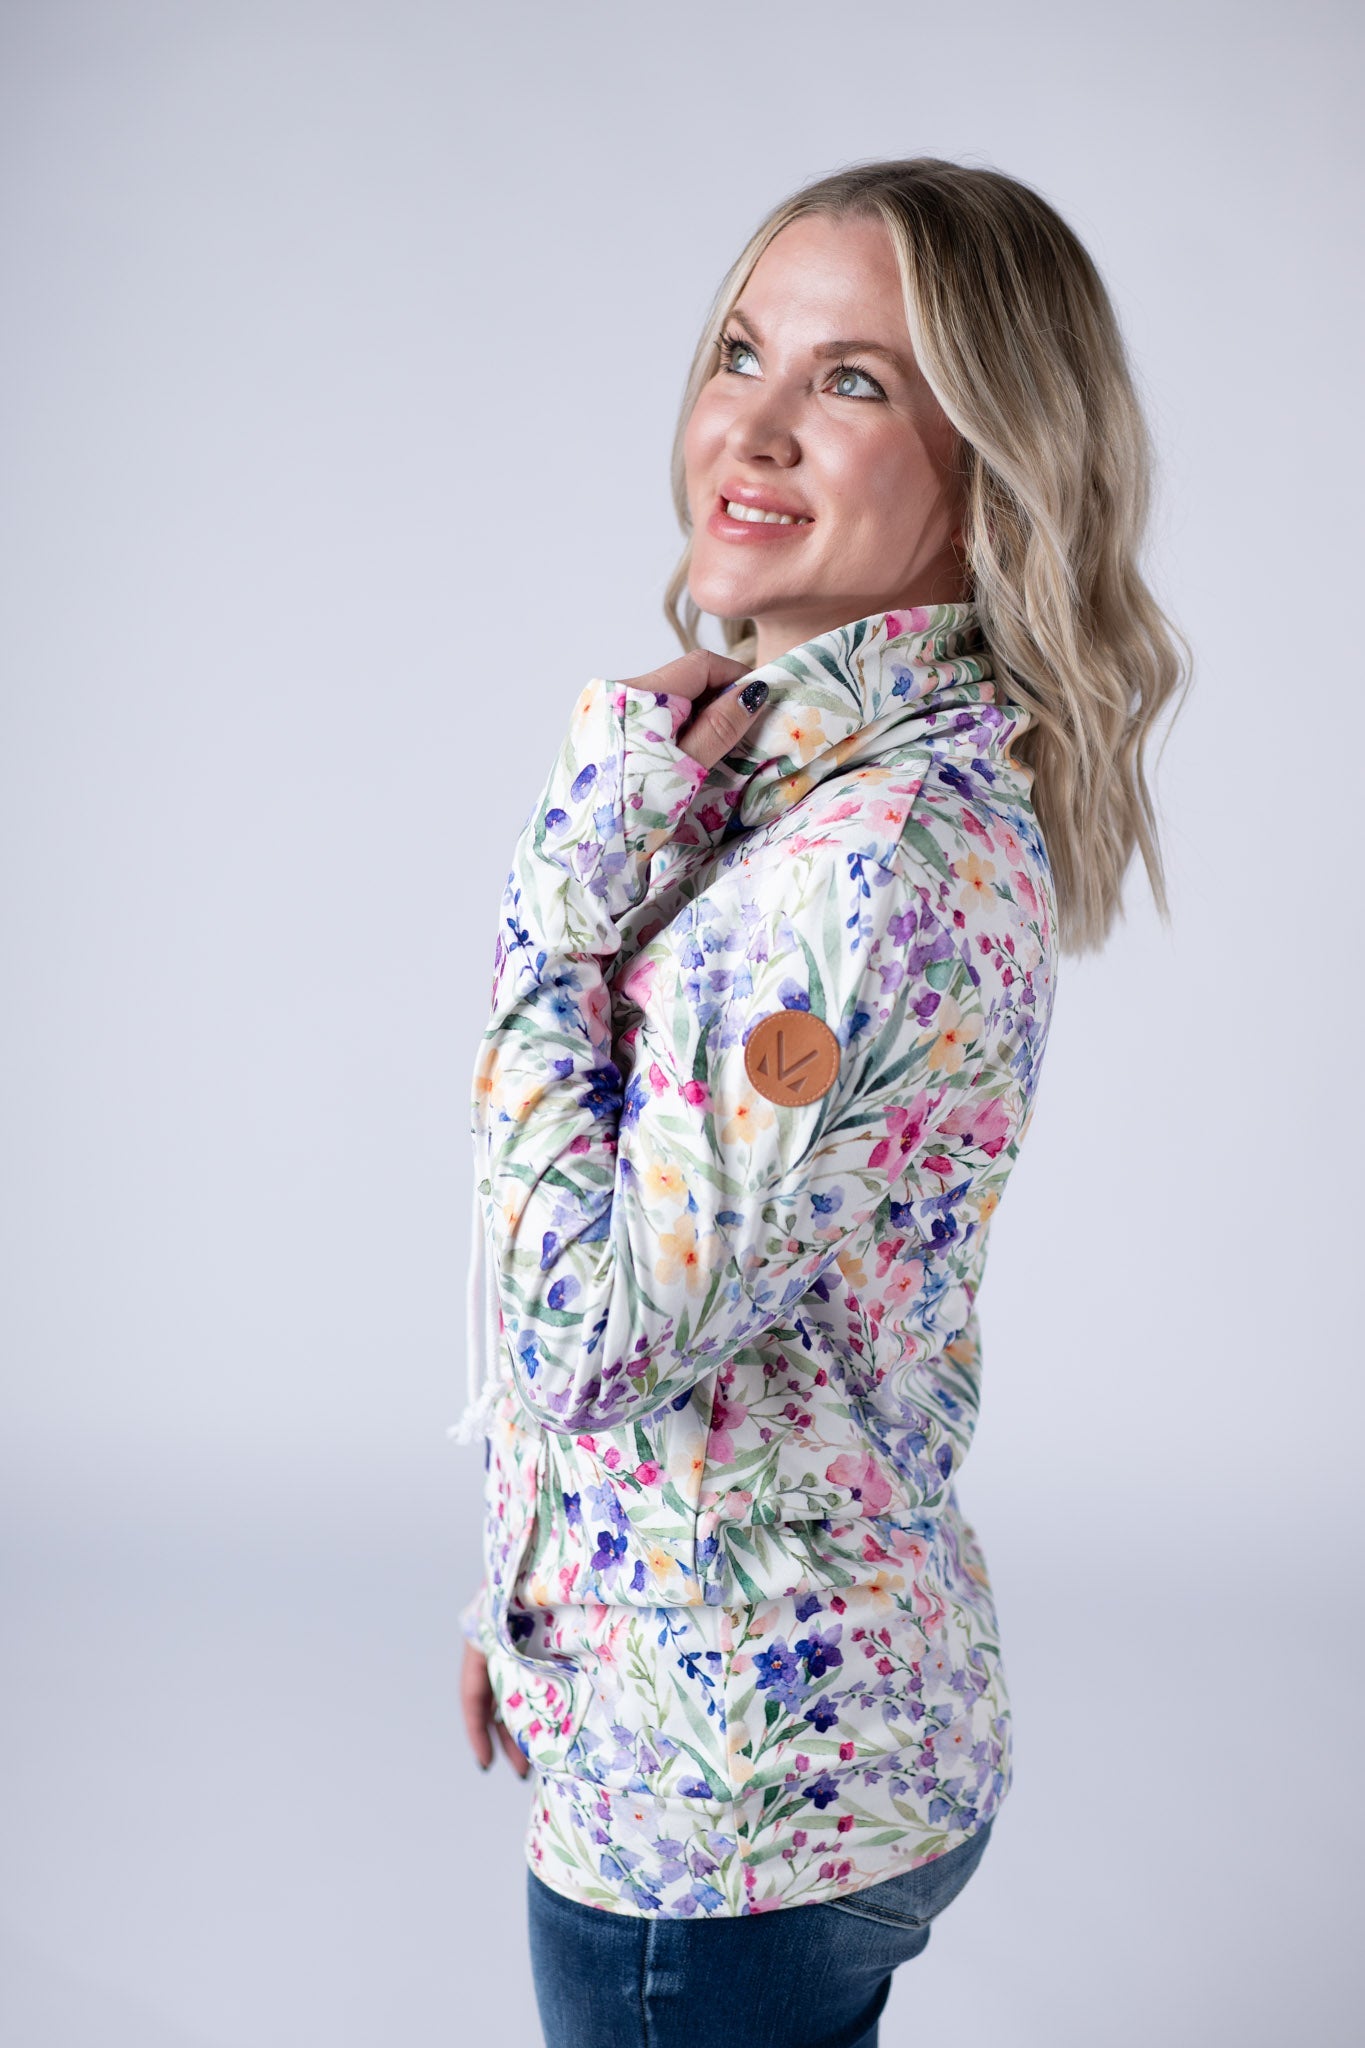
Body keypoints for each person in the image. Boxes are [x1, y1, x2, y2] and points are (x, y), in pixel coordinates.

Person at [449, 156, 1188, 2048]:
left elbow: (593, 1335)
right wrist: (529, 1599)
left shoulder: (848, 869)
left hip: (724, 1808)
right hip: (772, 1724)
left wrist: (554, 920)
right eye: (740, 351)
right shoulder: (822, 798)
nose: (752, 425)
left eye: (850, 380)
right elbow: (752, 1303)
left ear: (991, 467)